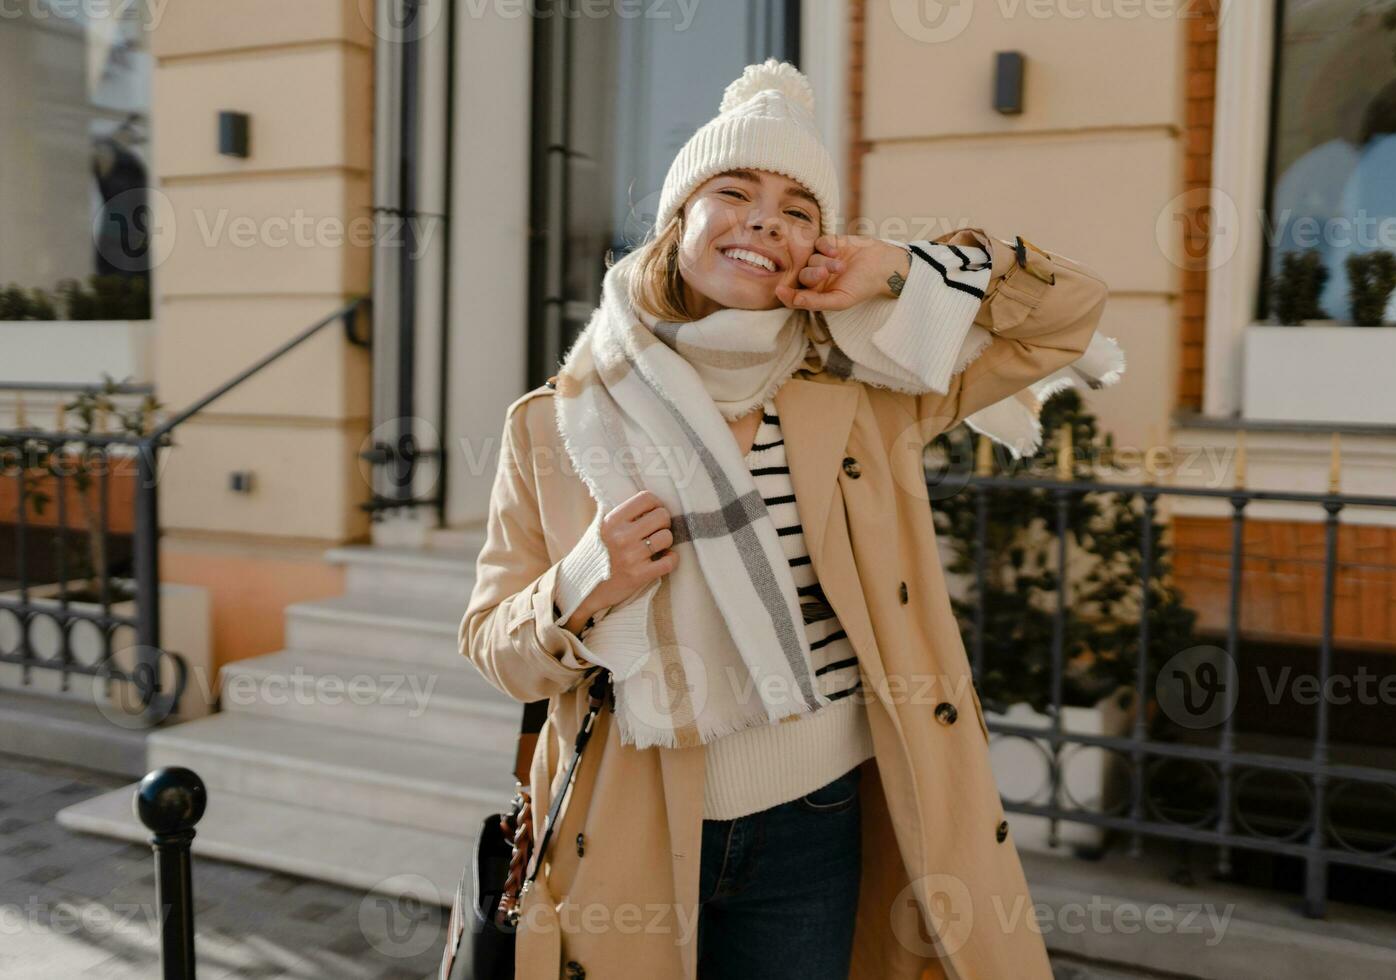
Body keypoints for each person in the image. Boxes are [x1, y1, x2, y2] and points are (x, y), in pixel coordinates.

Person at [459, 58, 1123, 980]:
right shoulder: (556, 419)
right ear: (679, 220)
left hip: (818, 820)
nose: (766, 217)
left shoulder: (865, 394)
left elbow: (1069, 316)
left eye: (798, 208)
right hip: (631, 827)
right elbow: (495, 646)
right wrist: (581, 585)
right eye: (734, 189)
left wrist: (899, 271)